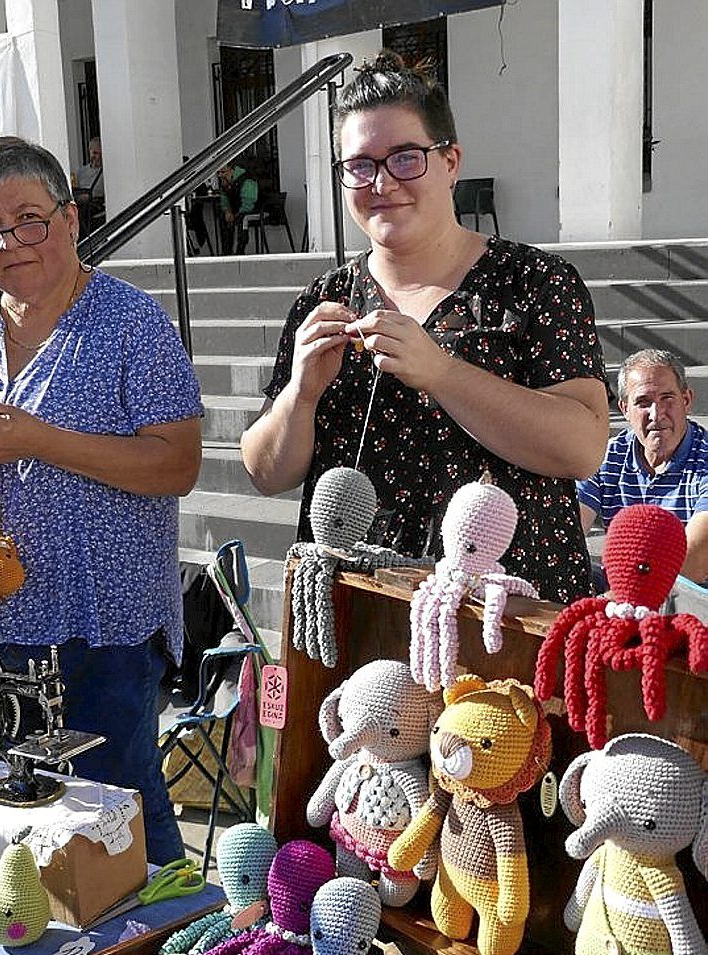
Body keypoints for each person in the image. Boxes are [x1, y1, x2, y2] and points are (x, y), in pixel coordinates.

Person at [0, 136, 203, 865]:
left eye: (28, 219)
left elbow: (176, 464)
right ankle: (45, 949)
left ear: (71, 218)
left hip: (101, 619)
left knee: (118, 803)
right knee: (7, 811)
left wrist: (39, 439)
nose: (9, 243)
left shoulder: (131, 325)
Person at [240, 52, 609, 604]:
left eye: (405, 158)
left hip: (504, 611)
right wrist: (301, 393)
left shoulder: (533, 282)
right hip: (362, 608)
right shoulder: (323, 300)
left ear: (451, 160)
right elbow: (266, 473)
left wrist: (440, 371)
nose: (381, 182)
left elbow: (582, 447)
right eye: (359, 165)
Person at [578, 349, 708, 584]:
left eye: (667, 398)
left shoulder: (705, 459)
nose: (656, 414)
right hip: (623, 587)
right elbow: (571, 530)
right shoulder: (610, 455)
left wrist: (618, 599)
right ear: (625, 409)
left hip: (690, 596)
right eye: (643, 402)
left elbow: (695, 562)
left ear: (686, 400)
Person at [218, 162, 258, 255]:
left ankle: (240, 250)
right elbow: (224, 199)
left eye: (223, 172)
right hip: (236, 209)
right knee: (223, 217)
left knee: (243, 218)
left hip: (252, 210)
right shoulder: (225, 183)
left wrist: (236, 214)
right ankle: (226, 251)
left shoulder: (246, 180)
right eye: (218, 173)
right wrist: (227, 211)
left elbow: (248, 202)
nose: (220, 175)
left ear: (231, 170)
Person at [73, 136, 104, 237]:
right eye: (94, 153)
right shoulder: (81, 172)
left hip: (96, 207)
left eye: (99, 153)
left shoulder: (106, 172)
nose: (96, 157)